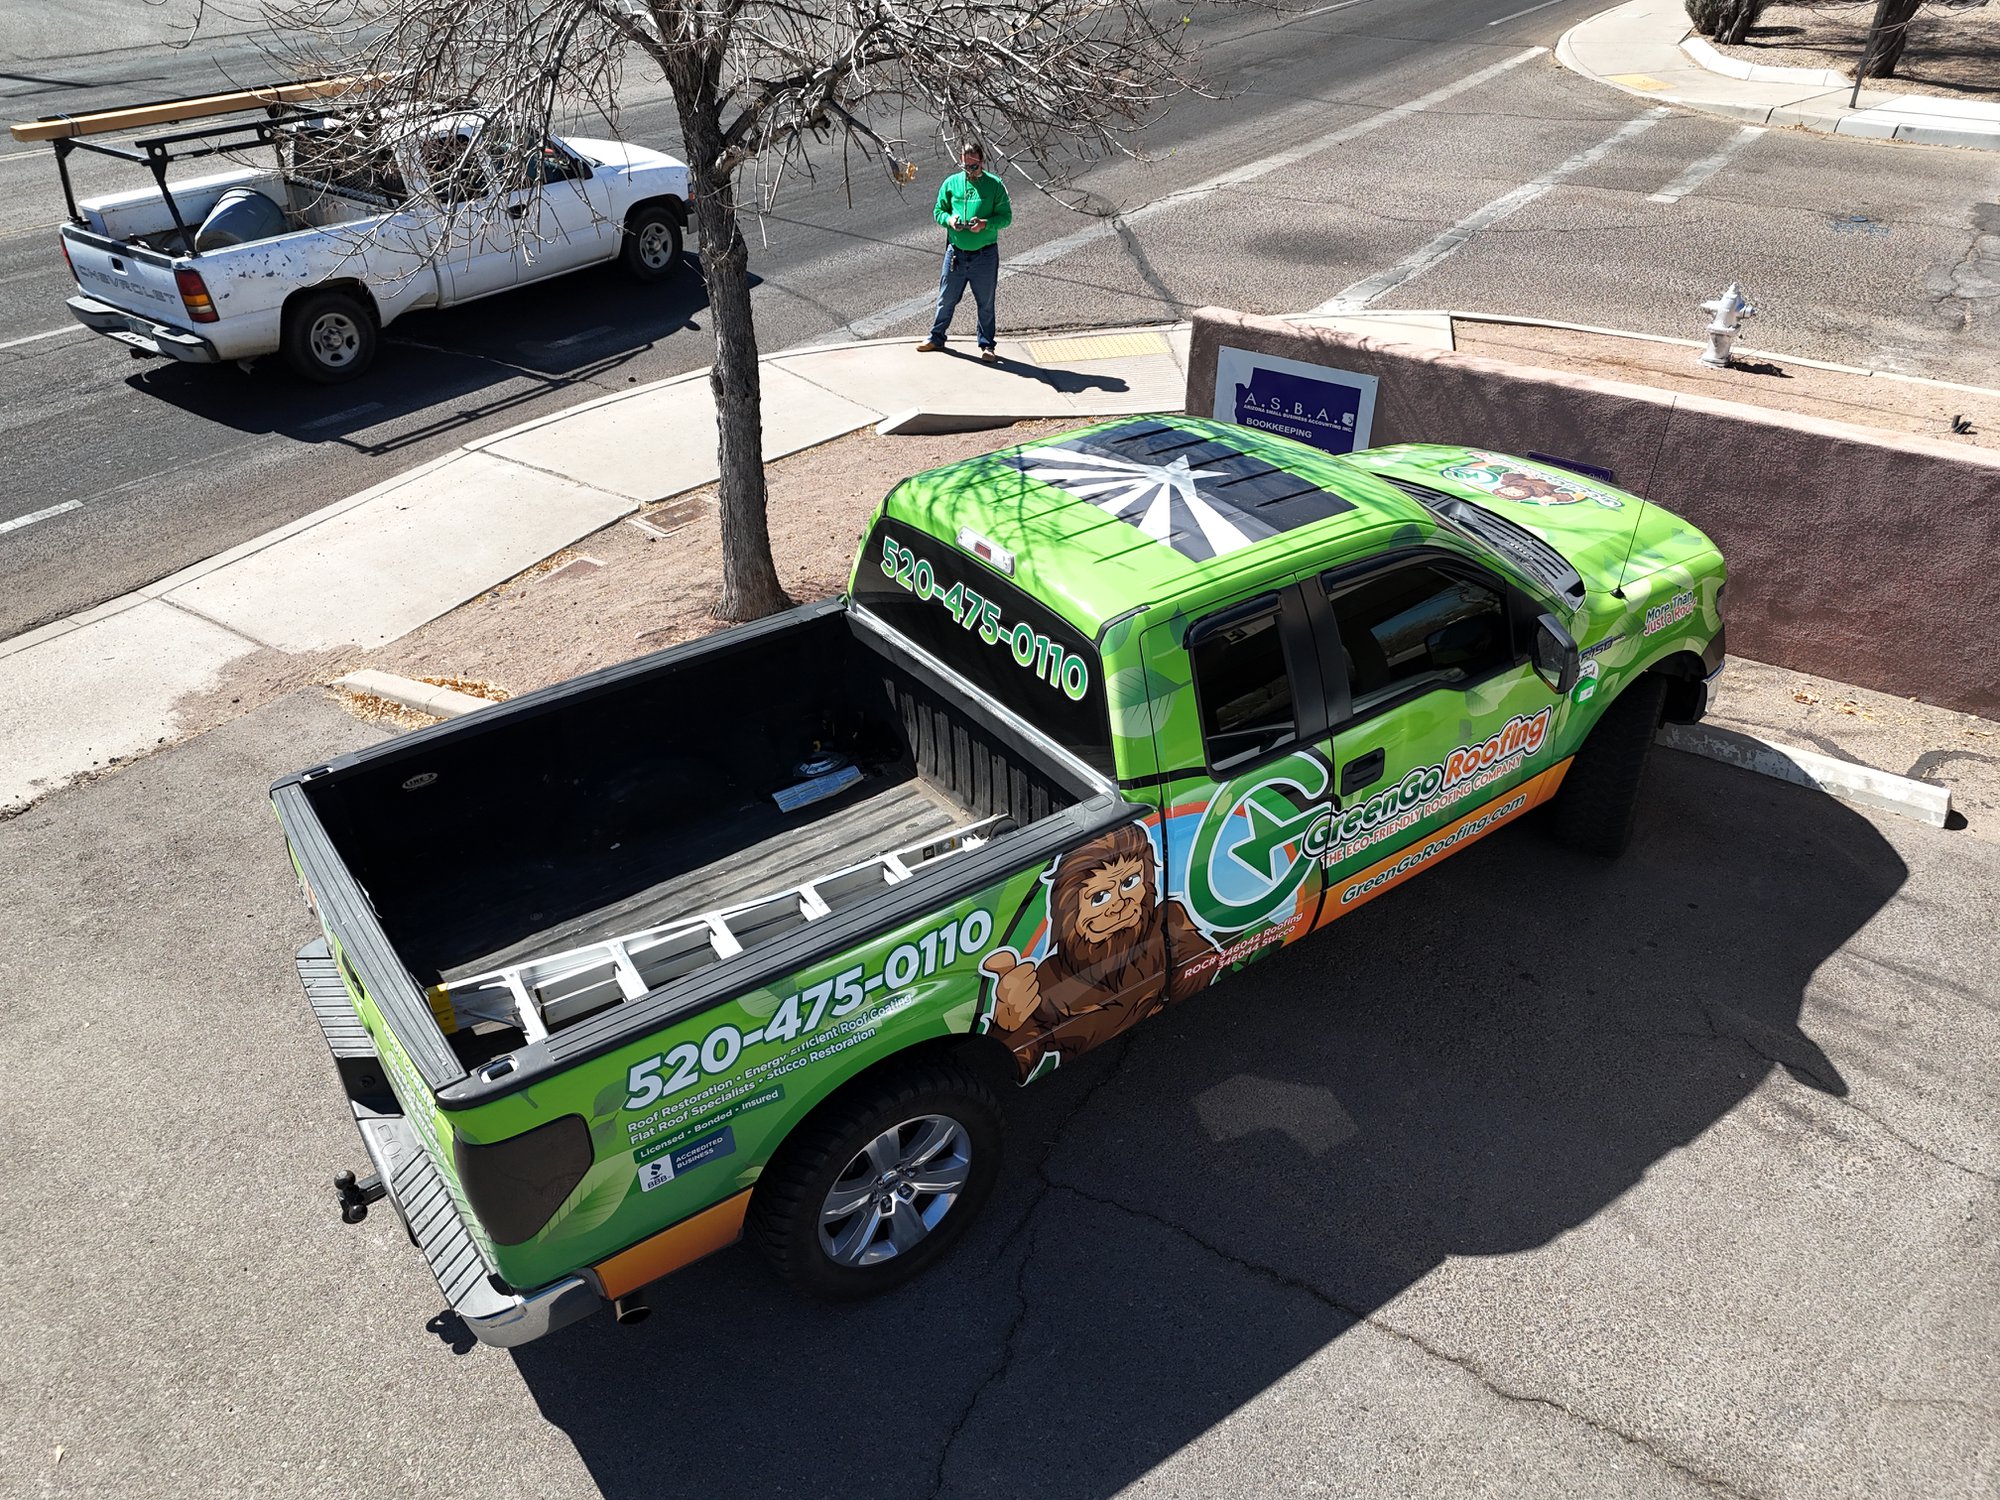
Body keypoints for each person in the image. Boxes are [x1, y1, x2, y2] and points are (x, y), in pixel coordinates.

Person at [917, 140, 1012, 363]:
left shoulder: (994, 185)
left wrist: (985, 224)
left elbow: (1006, 218)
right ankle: (936, 337)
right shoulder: (951, 183)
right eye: (965, 166)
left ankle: (987, 345)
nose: (970, 171)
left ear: (982, 162)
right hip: (956, 254)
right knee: (946, 298)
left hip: (984, 256)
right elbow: (939, 211)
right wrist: (950, 220)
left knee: (985, 302)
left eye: (974, 166)